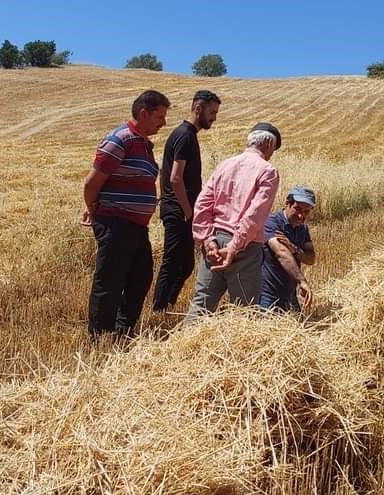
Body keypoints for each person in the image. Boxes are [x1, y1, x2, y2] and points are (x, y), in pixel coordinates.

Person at [82, 89, 170, 339]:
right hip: (116, 222)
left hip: (135, 225)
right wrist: (92, 209)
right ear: (143, 114)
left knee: (141, 276)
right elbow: (91, 183)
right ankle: (100, 336)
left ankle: (123, 330)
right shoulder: (119, 140)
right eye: (159, 117)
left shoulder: (143, 143)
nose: (163, 123)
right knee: (110, 280)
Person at [184, 123, 281, 324]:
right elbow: (255, 214)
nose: (272, 154)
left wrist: (207, 239)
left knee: (201, 305)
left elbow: (202, 204)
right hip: (243, 247)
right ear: (269, 143)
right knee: (245, 312)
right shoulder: (267, 171)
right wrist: (234, 247)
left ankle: (181, 351)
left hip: (214, 244)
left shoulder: (225, 164)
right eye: (274, 149)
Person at [151, 90, 222, 312]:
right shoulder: (185, 136)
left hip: (179, 208)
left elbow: (166, 170)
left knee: (186, 264)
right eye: (211, 112)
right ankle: (159, 309)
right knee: (173, 262)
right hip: (179, 211)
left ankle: (165, 306)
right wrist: (188, 211)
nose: (214, 118)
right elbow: (175, 177)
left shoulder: (186, 135)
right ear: (198, 109)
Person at [260, 186, 317, 312]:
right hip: (267, 294)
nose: (301, 215)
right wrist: (302, 281)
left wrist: (295, 249)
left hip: (290, 294)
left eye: (306, 211)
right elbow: (281, 253)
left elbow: (311, 258)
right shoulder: (271, 222)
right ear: (287, 203)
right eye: (297, 209)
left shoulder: (303, 229)